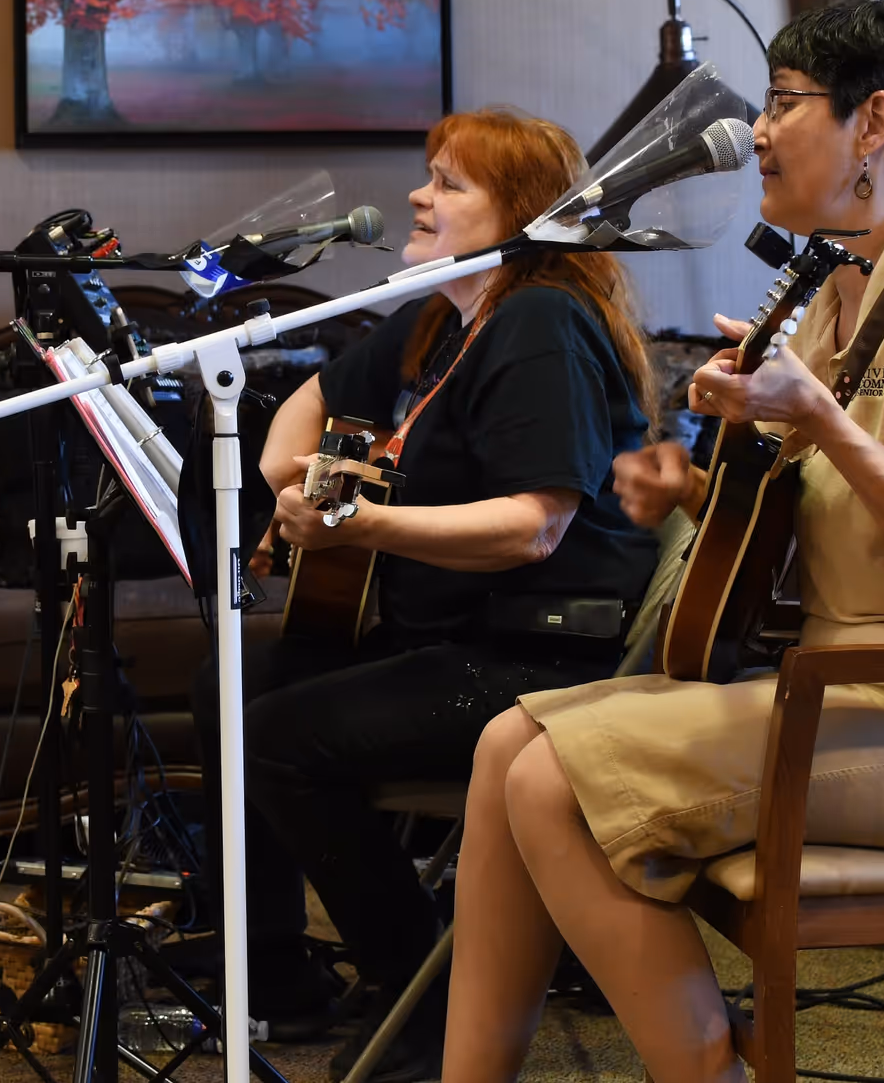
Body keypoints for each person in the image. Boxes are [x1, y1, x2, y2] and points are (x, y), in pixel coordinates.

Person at [440, 0, 884, 1083]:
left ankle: (709, 1068)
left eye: (783, 104)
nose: (757, 132)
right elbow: (809, 525)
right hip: (874, 696)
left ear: (875, 126)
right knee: (503, 751)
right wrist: (685, 488)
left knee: (553, 783)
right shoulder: (829, 295)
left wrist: (815, 419)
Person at [187, 106, 660, 1083]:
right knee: (228, 686)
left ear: (521, 215)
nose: (418, 193)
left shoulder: (539, 321)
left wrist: (357, 524)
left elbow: (536, 524)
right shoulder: (443, 316)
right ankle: (273, 972)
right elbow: (314, 402)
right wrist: (292, 484)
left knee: (282, 740)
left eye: (450, 182)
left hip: (539, 652)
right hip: (439, 629)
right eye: (428, 173)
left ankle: (427, 997)